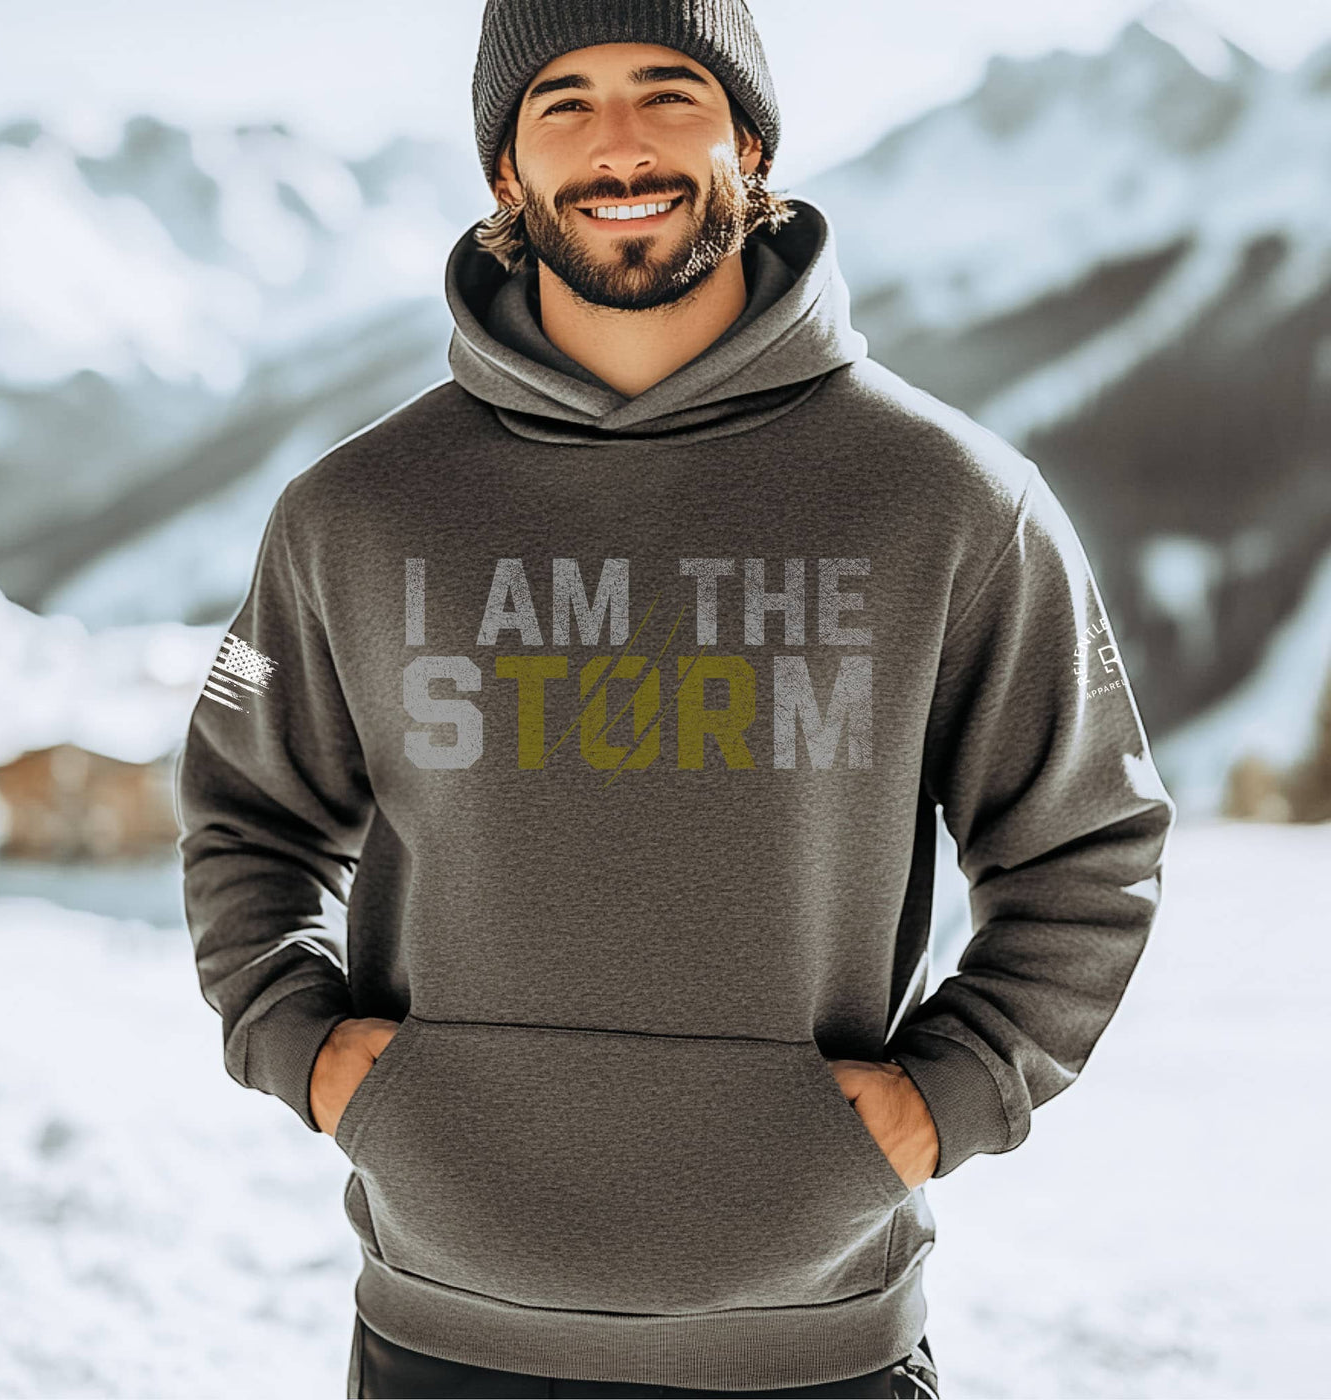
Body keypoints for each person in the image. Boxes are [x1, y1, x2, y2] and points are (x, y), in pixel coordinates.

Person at [174, 1, 1177, 1396]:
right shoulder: (353, 510)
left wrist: (948, 1096)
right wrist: (307, 1047)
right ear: (504, 175)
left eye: (669, 90)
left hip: (815, 1350)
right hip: (442, 1340)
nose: (621, 143)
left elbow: (1088, 845)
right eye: (564, 103)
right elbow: (243, 811)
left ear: (749, 141)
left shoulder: (952, 501)